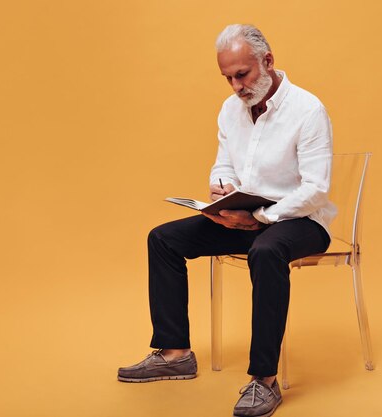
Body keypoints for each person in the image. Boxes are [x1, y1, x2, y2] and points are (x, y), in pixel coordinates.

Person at [118, 24, 336, 417]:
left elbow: (316, 189)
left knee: (268, 250)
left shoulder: (308, 110)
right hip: (245, 217)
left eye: (242, 74)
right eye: (228, 78)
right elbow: (223, 165)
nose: (236, 86)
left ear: (267, 61)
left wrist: (261, 216)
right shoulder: (229, 110)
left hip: (301, 221)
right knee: (163, 239)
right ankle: (175, 353)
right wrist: (222, 196)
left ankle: (264, 381)